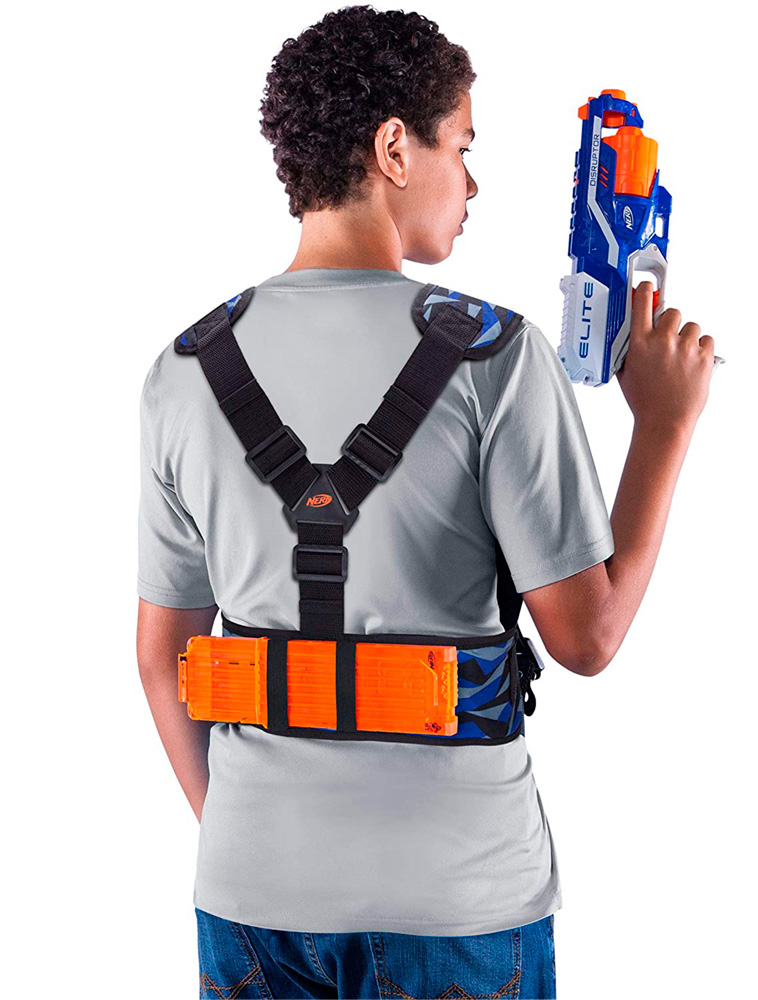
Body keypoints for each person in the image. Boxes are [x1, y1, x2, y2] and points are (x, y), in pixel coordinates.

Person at [135, 6, 716, 999]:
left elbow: (161, 660)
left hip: (250, 896)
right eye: (463, 146)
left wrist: (253, 841)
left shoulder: (183, 371)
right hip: (457, 900)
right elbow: (588, 637)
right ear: (394, 148)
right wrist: (663, 424)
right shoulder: (497, 356)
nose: (473, 182)